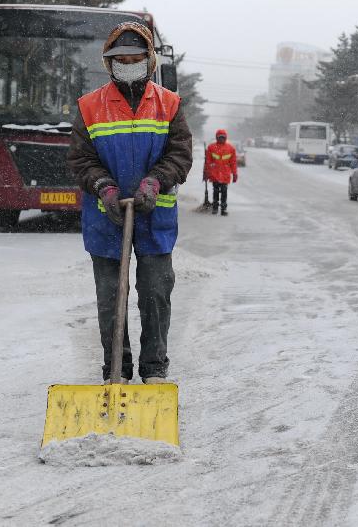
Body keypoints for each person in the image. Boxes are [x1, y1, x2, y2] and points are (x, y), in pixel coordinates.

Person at [67, 22, 192, 385]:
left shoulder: (169, 104)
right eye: (120, 58)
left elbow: (181, 153)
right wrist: (103, 186)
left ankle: (154, 370)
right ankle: (116, 372)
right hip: (106, 217)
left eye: (136, 57)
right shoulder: (90, 106)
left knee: (155, 293)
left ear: (149, 60)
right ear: (109, 63)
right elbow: (80, 159)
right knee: (111, 298)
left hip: (155, 216)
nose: (128, 63)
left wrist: (156, 180)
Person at [203, 129, 237, 216]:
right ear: (217, 138)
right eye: (220, 137)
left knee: (224, 192)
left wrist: (234, 173)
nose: (221, 139)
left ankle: (223, 209)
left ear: (225, 138)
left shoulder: (231, 149)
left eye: (223, 137)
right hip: (215, 174)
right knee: (216, 191)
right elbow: (208, 162)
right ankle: (215, 207)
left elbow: (233, 162)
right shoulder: (211, 148)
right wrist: (206, 173)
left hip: (225, 174)